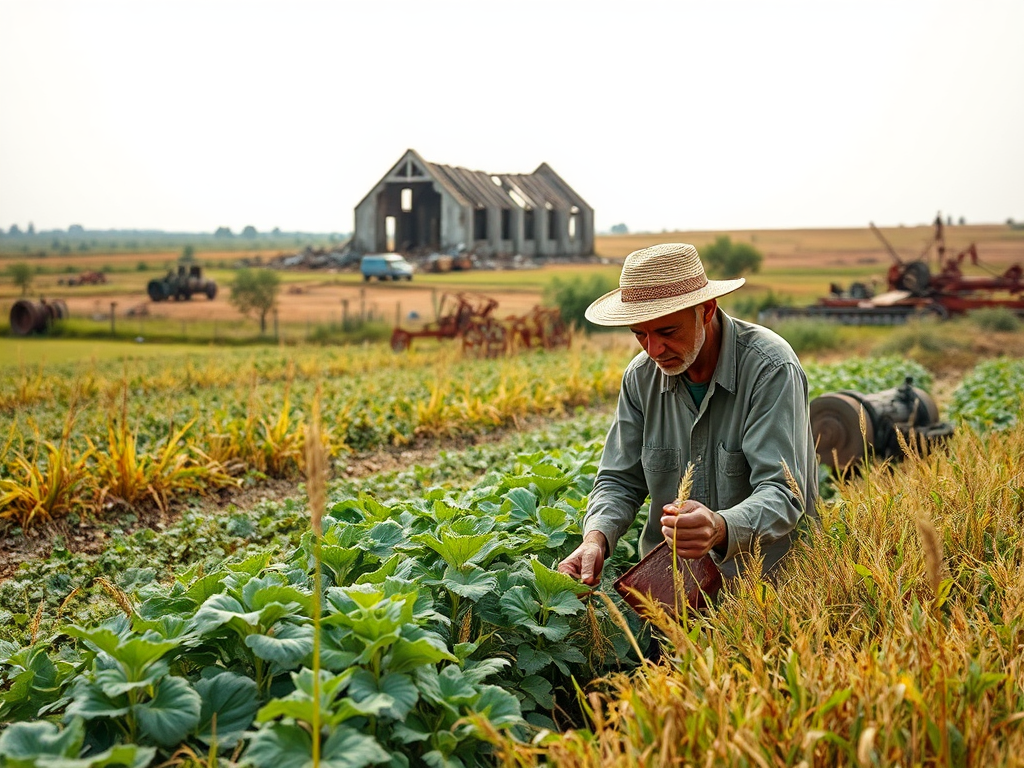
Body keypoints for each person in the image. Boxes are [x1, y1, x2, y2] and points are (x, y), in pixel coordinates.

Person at [557, 242, 818, 588]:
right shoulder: (640, 378)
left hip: (767, 592)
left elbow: (784, 493)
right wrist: (595, 540)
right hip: (674, 593)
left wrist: (721, 527)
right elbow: (619, 481)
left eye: (667, 332)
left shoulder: (770, 369)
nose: (654, 350)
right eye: (640, 335)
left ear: (707, 310)